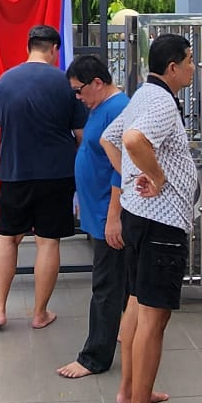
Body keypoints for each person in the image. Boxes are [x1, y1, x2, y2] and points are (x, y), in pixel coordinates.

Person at [100, 33, 198, 403]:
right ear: (172, 67)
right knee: (154, 319)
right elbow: (131, 139)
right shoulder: (158, 101)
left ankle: (130, 390)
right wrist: (155, 177)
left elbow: (110, 138)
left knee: (138, 306)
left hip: (140, 217)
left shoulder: (143, 94)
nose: (195, 67)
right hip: (161, 224)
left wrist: (135, 174)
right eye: (190, 60)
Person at [0, 23, 85, 331]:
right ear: (54, 49)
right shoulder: (65, 83)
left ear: (28, 47)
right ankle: (40, 313)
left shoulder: (5, 80)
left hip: (15, 172)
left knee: (7, 239)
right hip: (57, 173)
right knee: (48, 242)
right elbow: (80, 134)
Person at [57, 53, 129, 381]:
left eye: (79, 90)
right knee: (118, 284)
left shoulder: (118, 108)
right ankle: (118, 329)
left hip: (108, 214)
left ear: (97, 83)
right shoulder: (101, 107)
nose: (78, 98)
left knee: (106, 285)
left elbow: (123, 170)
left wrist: (113, 217)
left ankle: (94, 357)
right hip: (98, 210)